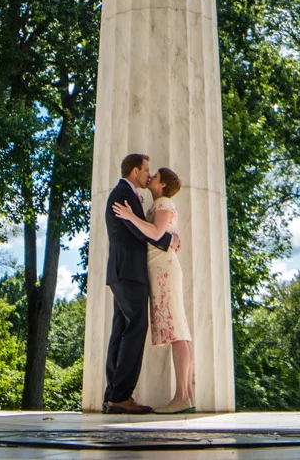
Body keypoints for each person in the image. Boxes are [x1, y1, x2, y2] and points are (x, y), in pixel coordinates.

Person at [113, 166, 195, 412]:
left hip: (164, 271)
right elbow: (165, 234)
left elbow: (157, 232)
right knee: (178, 330)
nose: (151, 177)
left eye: (156, 176)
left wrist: (130, 217)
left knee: (177, 331)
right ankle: (184, 395)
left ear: (163, 185)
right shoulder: (162, 205)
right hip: (161, 268)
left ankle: (182, 397)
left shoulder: (162, 204)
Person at [100, 153, 175, 414]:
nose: (148, 174)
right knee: (135, 327)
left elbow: (136, 228)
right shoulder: (124, 193)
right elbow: (139, 230)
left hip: (122, 272)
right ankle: (120, 395)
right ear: (134, 171)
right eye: (146, 170)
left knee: (121, 331)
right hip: (130, 272)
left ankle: (113, 395)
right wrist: (169, 241)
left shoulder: (123, 192)